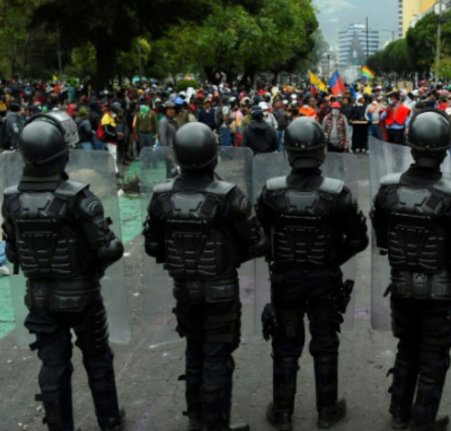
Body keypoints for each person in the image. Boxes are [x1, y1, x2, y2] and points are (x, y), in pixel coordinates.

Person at [1, 112, 126, 430]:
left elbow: (13, 251)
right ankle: (109, 420)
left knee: (53, 367)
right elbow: (108, 248)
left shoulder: (12, 200)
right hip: (82, 295)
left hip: (40, 297)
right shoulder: (78, 198)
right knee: (97, 357)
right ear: (61, 153)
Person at [143, 122, 266, 431]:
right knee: (216, 355)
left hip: (183, 287)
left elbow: (153, 246)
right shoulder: (229, 196)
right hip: (221, 287)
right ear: (214, 156)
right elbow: (256, 242)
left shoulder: (161, 196)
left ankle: (196, 419)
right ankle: (215, 424)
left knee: (194, 349)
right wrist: (230, 258)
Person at [371, 110, 451, 431]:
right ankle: (422, 422)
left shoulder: (388, 190)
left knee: (407, 348)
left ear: (411, 145)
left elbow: (381, 235)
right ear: (445, 147)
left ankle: (399, 414)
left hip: (402, 286)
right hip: (441, 293)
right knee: (434, 358)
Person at [256, 117, 369, 431]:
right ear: (322, 151)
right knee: (325, 343)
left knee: (285, 345)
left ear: (288, 151)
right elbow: (360, 239)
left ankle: (282, 413)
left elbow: (257, 237)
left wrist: (277, 257)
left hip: (285, 280)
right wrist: (331, 259)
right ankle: (327, 411)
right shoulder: (338, 194)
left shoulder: (271, 193)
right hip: (323, 280)